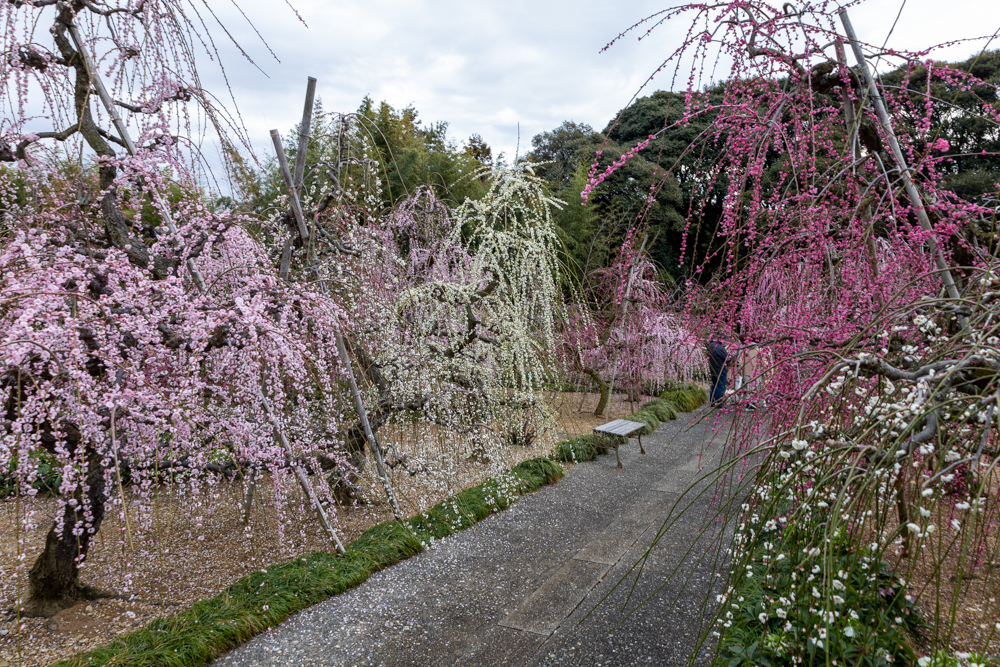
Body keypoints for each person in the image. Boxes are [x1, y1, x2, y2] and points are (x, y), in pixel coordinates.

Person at [706, 337, 729, 407]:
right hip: (720, 369)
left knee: (714, 385)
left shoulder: (710, 345)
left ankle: (712, 401)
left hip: (713, 368)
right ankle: (718, 402)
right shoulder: (719, 348)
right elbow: (727, 358)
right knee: (720, 386)